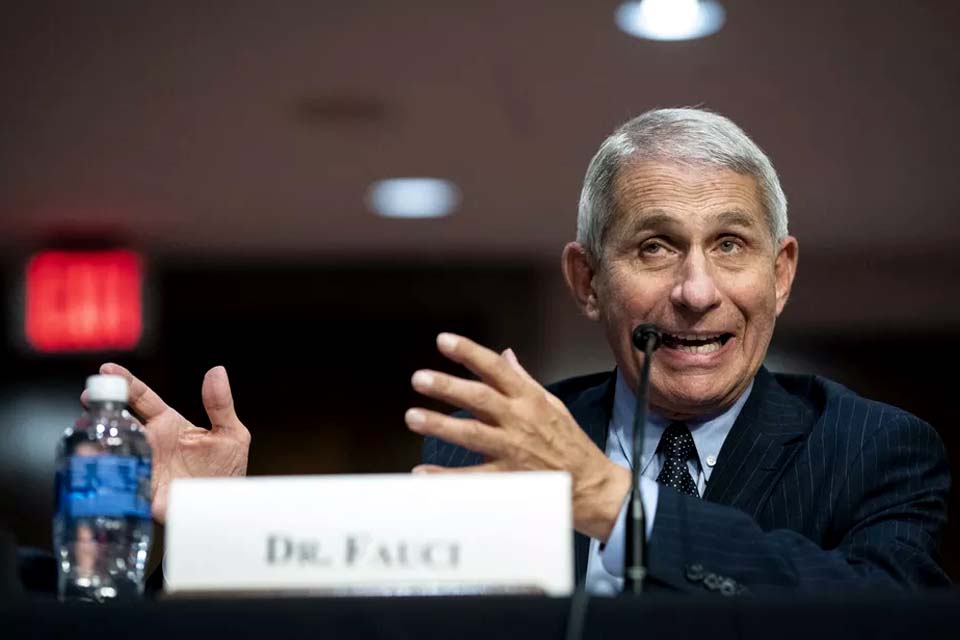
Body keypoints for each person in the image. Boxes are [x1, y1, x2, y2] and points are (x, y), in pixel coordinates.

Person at [408, 108, 951, 594]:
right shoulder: (496, 449)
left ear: (780, 275)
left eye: (730, 244)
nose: (696, 292)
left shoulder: (873, 449)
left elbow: (891, 614)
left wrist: (617, 506)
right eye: (655, 247)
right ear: (588, 281)